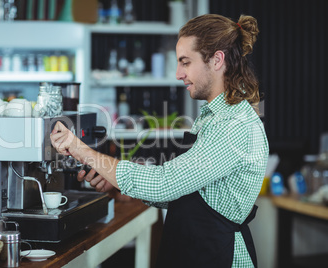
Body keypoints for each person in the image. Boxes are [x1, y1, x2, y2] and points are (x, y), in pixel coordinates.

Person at [50, 14, 269, 268]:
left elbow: (164, 184)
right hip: (198, 249)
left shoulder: (233, 125)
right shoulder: (211, 117)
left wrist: (80, 149)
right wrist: (115, 182)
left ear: (217, 60)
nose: (178, 74)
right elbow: (188, 193)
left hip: (216, 254)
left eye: (185, 63)